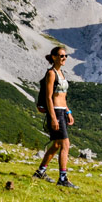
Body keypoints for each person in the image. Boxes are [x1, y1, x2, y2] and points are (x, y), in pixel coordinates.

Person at [32, 46, 78, 188]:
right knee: (65, 145)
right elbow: (48, 97)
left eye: (65, 56)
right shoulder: (51, 73)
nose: (64, 58)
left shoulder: (61, 73)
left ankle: (40, 172)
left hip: (62, 111)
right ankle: (63, 179)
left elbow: (62, 96)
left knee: (57, 145)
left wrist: (68, 112)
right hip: (56, 112)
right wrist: (52, 117)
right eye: (61, 56)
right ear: (54, 57)